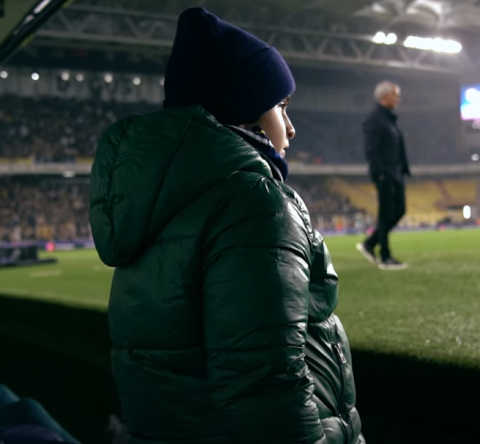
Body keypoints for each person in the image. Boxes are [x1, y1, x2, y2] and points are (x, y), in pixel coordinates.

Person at [89, 8, 364, 444]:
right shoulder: (252, 204)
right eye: (281, 107)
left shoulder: (152, 202)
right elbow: (266, 389)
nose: (291, 129)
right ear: (244, 109)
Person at [357, 81, 411, 270]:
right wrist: (379, 172)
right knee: (386, 212)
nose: (398, 99)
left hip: (396, 173)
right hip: (384, 174)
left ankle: (371, 243)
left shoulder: (390, 120)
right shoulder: (375, 120)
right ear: (384, 97)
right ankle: (385, 256)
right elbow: (371, 150)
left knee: (400, 210)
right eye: (395, 95)